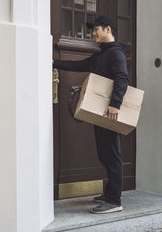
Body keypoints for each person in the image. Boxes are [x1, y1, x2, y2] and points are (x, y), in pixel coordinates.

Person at [53, 16, 128, 214]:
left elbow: (122, 78)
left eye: (97, 29)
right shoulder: (101, 55)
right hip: (100, 113)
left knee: (112, 155)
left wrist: (115, 104)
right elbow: (79, 66)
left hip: (109, 112)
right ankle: (110, 193)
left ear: (108, 30)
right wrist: (53, 62)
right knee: (105, 153)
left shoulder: (116, 53)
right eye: (93, 30)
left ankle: (114, 201)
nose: (93, 33)